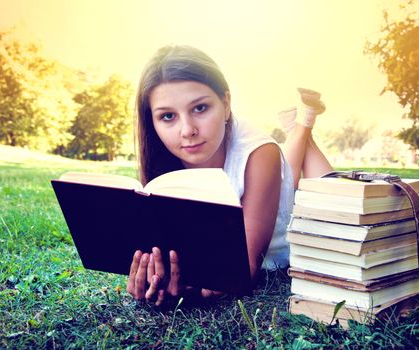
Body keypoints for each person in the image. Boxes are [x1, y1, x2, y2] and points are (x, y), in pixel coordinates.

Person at [126, 45, 333, 305]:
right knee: (287, 175)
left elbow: (240, 270)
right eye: (168, 116)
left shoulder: (259, 152)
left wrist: (188, 288)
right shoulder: (162, 162)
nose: (188, 130)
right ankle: (302, 125)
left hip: (293, 219)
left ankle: (303, 125)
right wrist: (154, 274)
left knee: (328, 190)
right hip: (270, 182)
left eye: (200, 108)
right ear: (152, 122)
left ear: (225, 104)